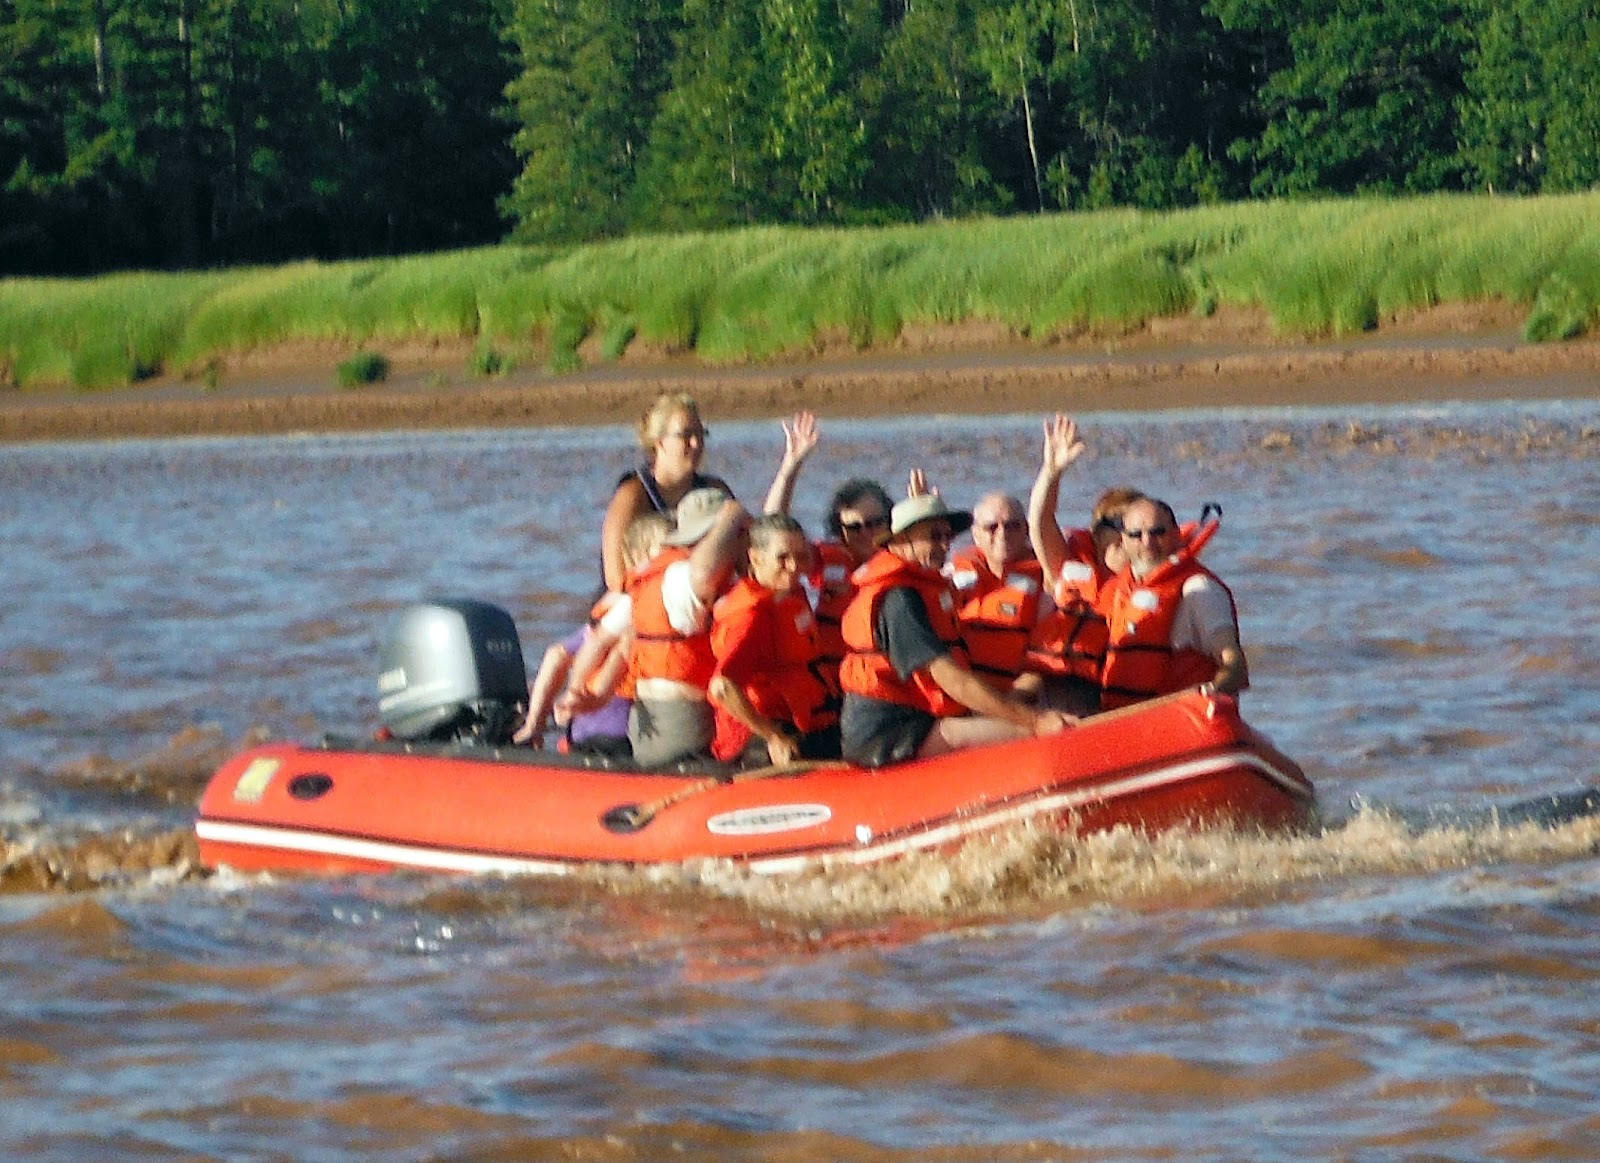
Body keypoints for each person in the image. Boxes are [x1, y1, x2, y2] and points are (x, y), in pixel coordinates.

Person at [838, 492, 1072, 768]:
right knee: (1026, 734)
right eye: (933, 537)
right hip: (889, 734)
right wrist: (1034, 720)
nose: (944, 545)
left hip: (917, 718)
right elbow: (952, 679)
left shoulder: (927, 588)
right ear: (901, 541)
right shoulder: (900, 600)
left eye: (946, 536)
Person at [759, 410, 894, 693]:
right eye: (854, 527)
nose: (866, 533)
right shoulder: (823, 559)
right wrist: (790, 468)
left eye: (874, 523)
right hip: (832, 682)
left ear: (890, 523)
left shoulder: (901, 563)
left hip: (881, 685)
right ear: (839, 529)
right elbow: (771, 530)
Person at [514, 512, 671, 753]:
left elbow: (556, 655)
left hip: (581, 733)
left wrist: (535, 723)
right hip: (626, 736)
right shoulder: (646, 605)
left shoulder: (607, 612)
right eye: (667, 552)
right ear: (638, 557)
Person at [1025, 414, 1146, 715]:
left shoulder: (1151, 580)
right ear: (1099, 533)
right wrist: (1052, 472)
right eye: (1118, 527)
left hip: (1102, 690)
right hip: (1047, 677)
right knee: (1025, 688)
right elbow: (1040, 521)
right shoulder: (1067, 563)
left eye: (1136, 530)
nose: (1125, 539)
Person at [626, 486, 750, 767]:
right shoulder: (682, 577)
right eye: (737, 532)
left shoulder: (659, 579)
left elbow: (773, 542)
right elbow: (703, 572)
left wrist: (789, 468)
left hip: (658, 717)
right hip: (680, 721)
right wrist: (732, 516)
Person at [707, 514, 840, 766]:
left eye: (801, 557)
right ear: (756, 558)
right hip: (757, 740)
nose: (794, 567)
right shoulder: (750, 617)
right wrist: (773, 737)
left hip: (803, 721)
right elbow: (722, 687)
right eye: (783, 558)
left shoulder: (789, 594)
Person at [1100, 496, 1249, 709]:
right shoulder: (1118, 589)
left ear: (1176, 534)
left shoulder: (1199, 589)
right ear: (1122, 541)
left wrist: (1214, 690)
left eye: (1157, 532)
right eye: (1136, 535)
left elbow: (1234, 665)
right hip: (1122, 721)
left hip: (1180, 722)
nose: (1147, 542)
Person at [599, 393, 730, 593]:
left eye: (700, 434)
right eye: (685, 435)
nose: (696, 444)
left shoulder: (714, 491)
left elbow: (753, 550)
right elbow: (615, 579)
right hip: (636, 604)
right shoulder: (633, 495)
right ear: (659, 442)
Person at [945, 492, 1045, 690]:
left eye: (1012, 526)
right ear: (976, 534)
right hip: (963, 691)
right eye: (992, 527)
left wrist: (1011, 704)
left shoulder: (1044, 583)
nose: (1002, 533)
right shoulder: (950, 576)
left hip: (1019, 696)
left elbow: (1042, 663)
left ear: (1026, 530)